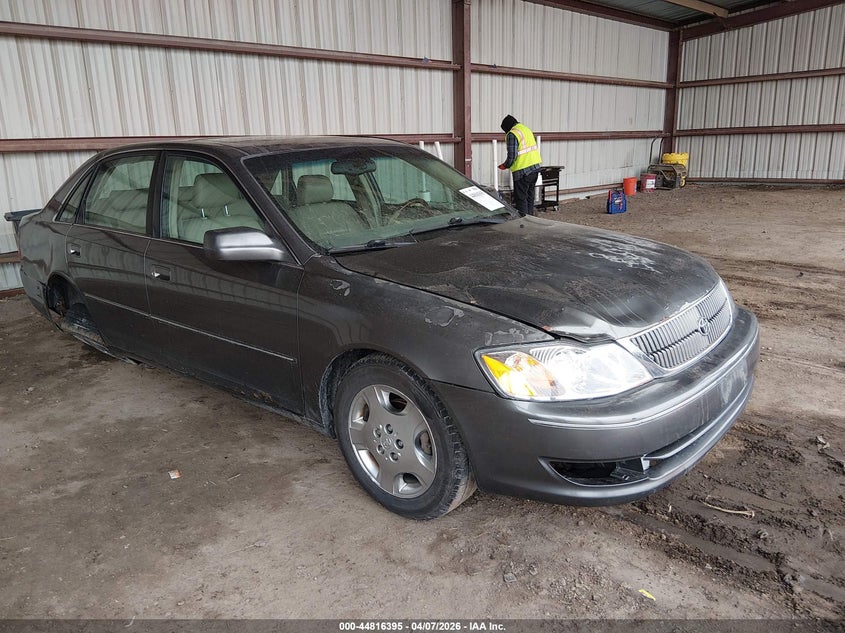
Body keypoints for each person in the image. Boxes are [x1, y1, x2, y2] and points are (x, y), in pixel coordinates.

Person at [498, 115, 542, 216]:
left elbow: (512, 156)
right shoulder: (526, 129)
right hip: (535, 168)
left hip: (523, 172)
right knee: (529, 197)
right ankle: (530, 219)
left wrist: (505, 165)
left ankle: (524, 224)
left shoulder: (512, 134)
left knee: (521, 199)